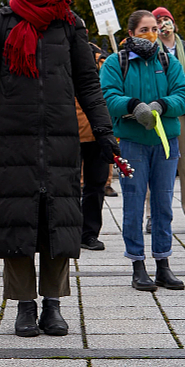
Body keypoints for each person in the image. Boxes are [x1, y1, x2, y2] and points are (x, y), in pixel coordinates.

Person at [0, 0, 117, 337]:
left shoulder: (70, 24)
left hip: (60, 138)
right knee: (16, 221)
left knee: (59, 222)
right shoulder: (3, 22)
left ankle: (53, 306)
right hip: (14, 140)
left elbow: (88, 82)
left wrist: (104, 130)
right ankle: (25, 306)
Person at [100, 10, 185, 292]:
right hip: (132, 143)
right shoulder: (117, 62)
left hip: (165, 145)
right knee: (134, 204)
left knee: (163, 205)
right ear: (130, 34)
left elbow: (183, 95)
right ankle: (137, 265)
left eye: (154, 28)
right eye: (144, 30)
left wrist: (162, 105)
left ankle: (163, 264)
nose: (151, 34)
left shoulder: (168, 60)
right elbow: (108, 95)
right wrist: (133, 106)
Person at [146, 6, 185, 234]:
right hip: (160, 113)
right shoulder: (151, 50)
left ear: (174, 23)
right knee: (156, 165)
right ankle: (152, 215)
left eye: (166, 19)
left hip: (183, 114)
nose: (163, 24)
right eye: (158, 21)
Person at [79, 42, 111, 251]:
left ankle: (89, 233)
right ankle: (71, 230)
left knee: (96, 186)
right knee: (68, 188)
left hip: (96, 133)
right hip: (69, 132)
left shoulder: (102, 59)